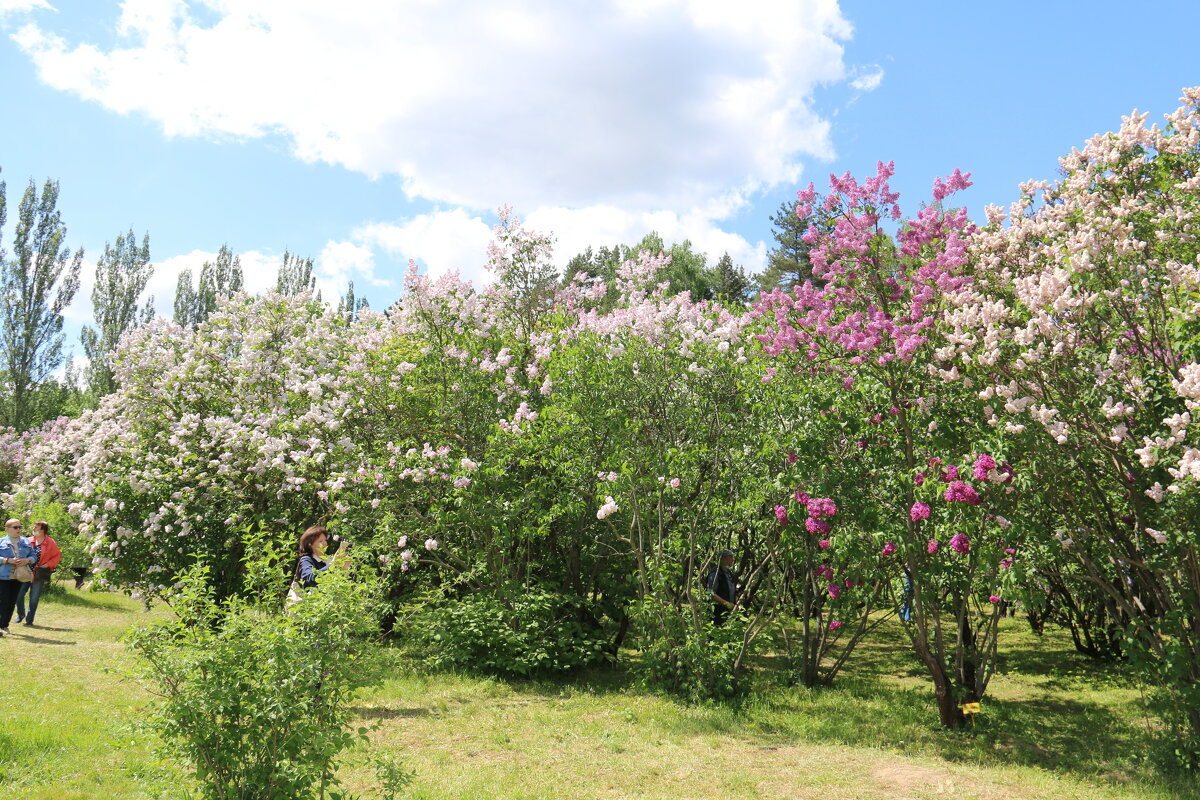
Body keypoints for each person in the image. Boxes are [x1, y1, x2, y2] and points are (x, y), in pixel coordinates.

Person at [17, 521, 61, 627]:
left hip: (39, 574)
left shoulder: (50, 542)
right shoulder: (28, 540)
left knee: (34, 597)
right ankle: (21, 614)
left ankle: (29, 620)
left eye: (36, 527)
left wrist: (47, 565)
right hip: (25, 572)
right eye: (34, 526)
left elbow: (56, 557)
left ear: (42, 530)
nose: (33, 528)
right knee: (19, 595)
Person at [0, 519, 38, 636]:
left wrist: (27, 560)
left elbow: (34, 556)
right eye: (15, 527)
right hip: (3, 576)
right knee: (3, 601)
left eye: (19, 527)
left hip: (19, 577)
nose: (18, 530)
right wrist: (7, 560)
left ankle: (4, 626)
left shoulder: (25, 541)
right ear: (7, 529)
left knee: (12, 602)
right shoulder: (1, 542)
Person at [707, 548, 738, 626]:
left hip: (728, 612)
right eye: (730, 557)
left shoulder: (729, 573)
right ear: (724, 558)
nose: (733, 559)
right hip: (718, 613)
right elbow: (711, 594)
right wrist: (728, 604)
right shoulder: (716, 574)